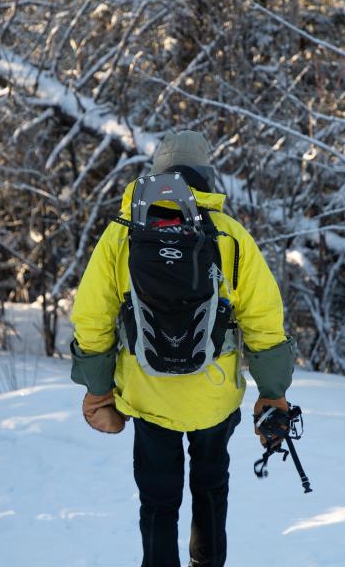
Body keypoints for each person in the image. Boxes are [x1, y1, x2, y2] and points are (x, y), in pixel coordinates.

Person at [69, 130, 296, 567]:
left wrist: (98, 389)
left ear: (156, 176)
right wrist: (273, 393)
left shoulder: (121, 236)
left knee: (157, 499)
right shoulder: (229, 236)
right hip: (214, 397)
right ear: (208, 177)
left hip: (148, 395)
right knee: (210, 491)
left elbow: (92, 319)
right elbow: (264, 322)